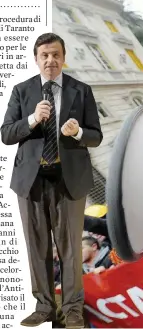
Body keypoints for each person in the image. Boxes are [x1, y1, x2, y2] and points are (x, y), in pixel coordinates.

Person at [0, 33, 102, 328]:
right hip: (30, 181)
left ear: (63, 57)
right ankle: (44, 306)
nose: (50, 60)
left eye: (56, 54)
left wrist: (78, 133)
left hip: (68, 178)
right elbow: (6, 134)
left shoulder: (80, 90)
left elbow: (96, 136)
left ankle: (72, 310)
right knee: (37, 245)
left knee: (70, 247)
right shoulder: (22, 91)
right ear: (36, 59)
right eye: (44, 55)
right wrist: (32, 119)